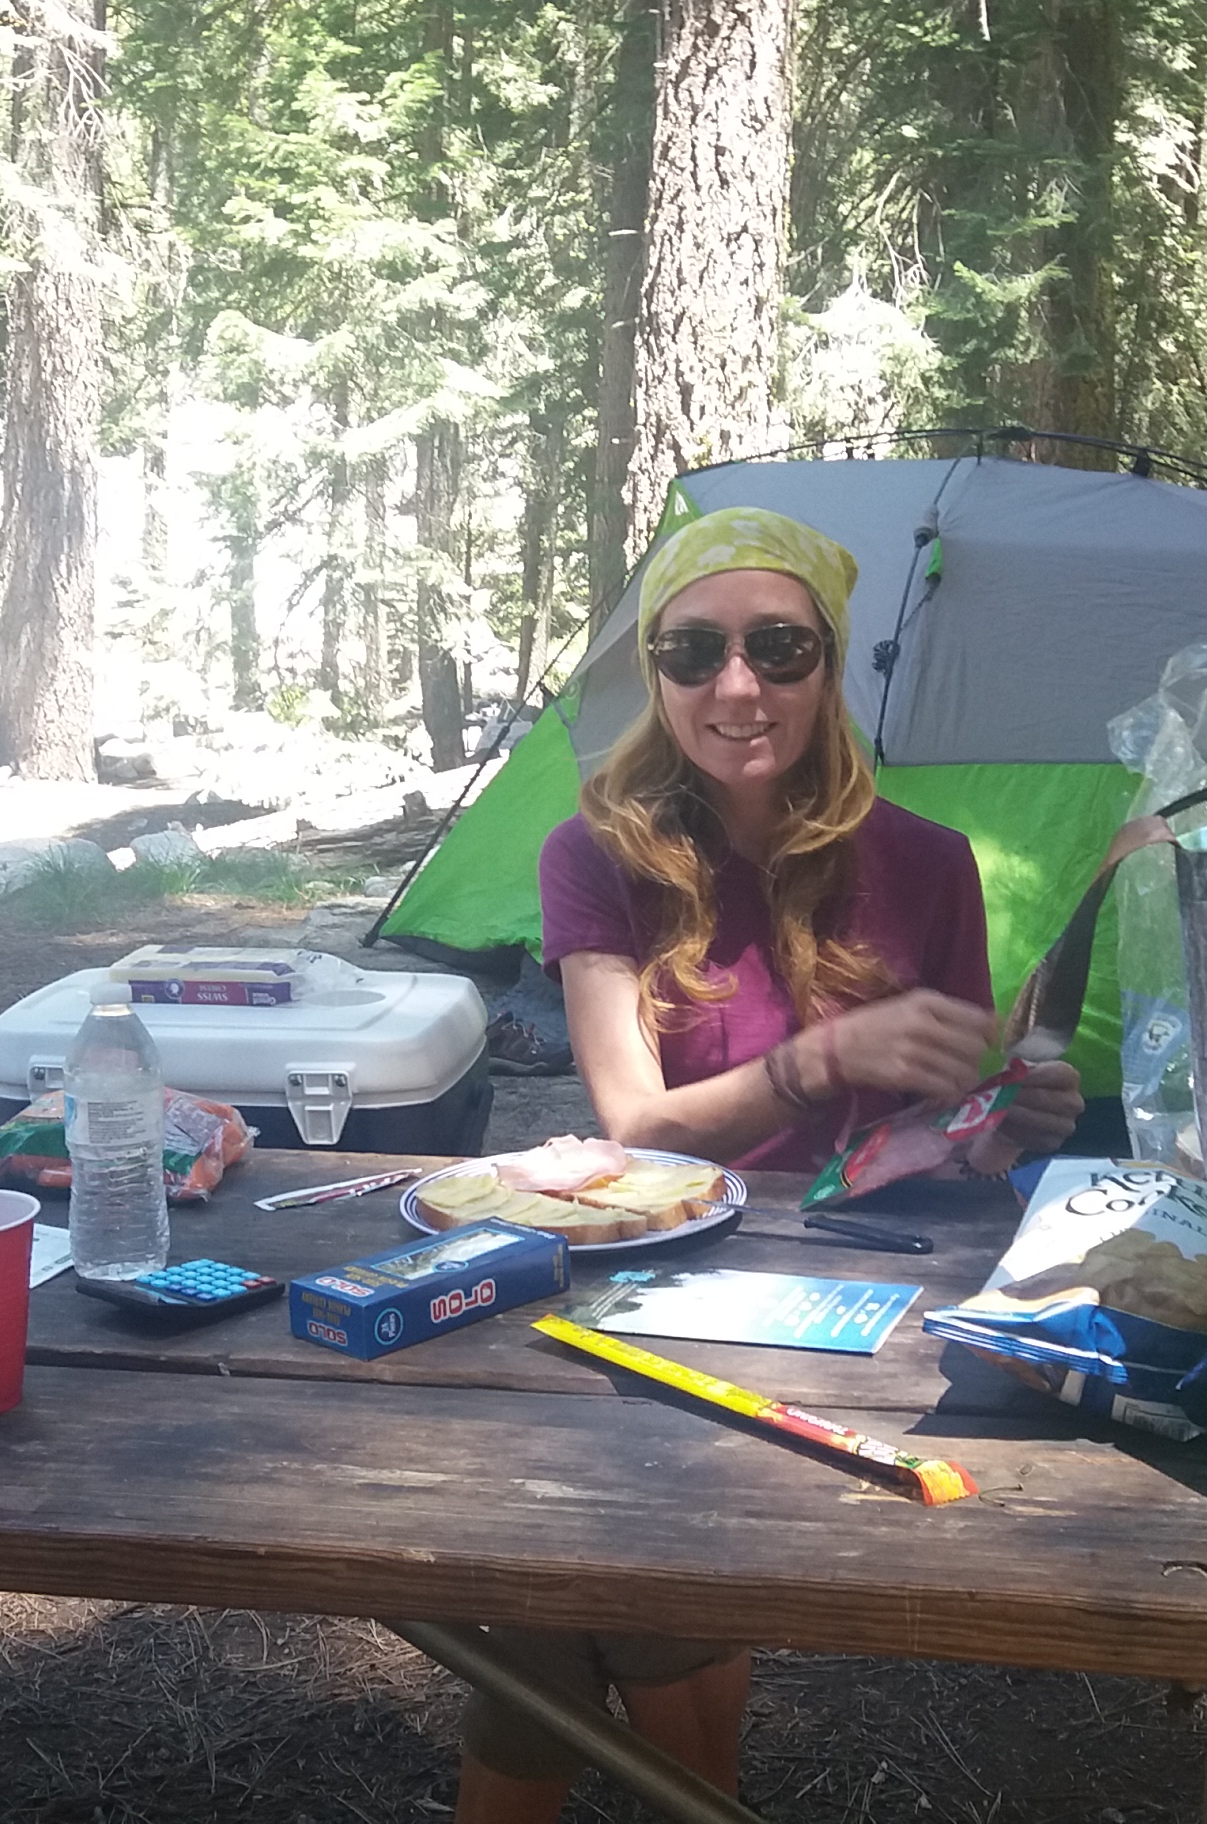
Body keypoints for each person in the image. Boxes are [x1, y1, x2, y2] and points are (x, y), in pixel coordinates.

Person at [450, 507, 1082, 1822]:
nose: (737, 687)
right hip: (648, 1277)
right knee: (590, 1581)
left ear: (829, 664)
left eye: (779, 647)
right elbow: (633, 1124)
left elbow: (941, 1136)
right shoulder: (596, 853)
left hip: (850, 1303)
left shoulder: (927, 864)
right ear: (658, 674)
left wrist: (1009, 1121)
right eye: (695, 651)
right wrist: (820, 1060)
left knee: (568, 1579)